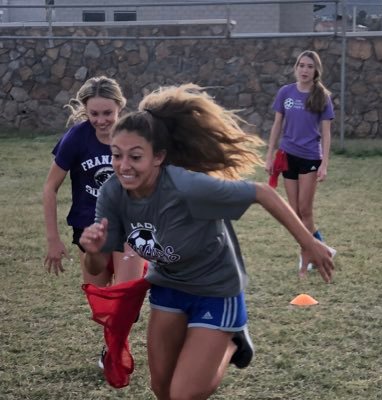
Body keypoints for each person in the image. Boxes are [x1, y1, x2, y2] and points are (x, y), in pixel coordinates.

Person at [79, 83, 334, 400]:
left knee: (183, 395)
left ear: (158, 157)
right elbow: (99, 264)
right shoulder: (112, 192)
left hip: (215, 290)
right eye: (116, 155)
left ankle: (232, 341)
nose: (123, 166)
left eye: (135, 156)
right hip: (169, 287)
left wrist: (308, 242)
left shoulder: (187, 188)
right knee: (162, 390)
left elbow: (262, 192)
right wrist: (92, 252)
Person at [42, 76, 145, 366]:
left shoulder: (135, 136)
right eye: (94, 113)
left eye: (108, 113)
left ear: (120, 108)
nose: (101, 120)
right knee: (102, 302)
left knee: (126, 300)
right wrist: (53, 239)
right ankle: (113, 345)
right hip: (89, 230)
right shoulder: (76, 138)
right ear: (86, 111)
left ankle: (116, 353)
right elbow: (50, 187)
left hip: (127, 228)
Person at [265, 50, 336, 275]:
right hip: (288, 156)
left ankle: (307, 254)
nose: (305, 70)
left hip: (310, 158)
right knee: (294, 212)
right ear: (296, 67)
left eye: (310, 66)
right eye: (302, 65)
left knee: (305, 210)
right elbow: (277, 125)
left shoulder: (321, 96)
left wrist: (324, 163)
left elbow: (326, 134)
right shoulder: (285, 92)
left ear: (316, 71)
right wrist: (270, 154)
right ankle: (321, 248)